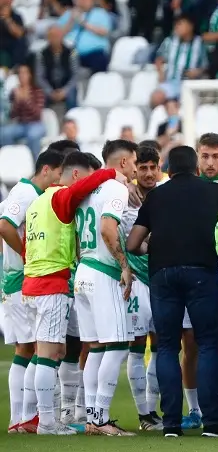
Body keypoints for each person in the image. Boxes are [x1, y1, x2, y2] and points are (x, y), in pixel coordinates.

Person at [126, 146, 218, 438]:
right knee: (208, 345)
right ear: (196, 167)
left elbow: (132, 243)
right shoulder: (212, 192)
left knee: (166, 346)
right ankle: (213, 421)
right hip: (201, 272)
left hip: (163, 274)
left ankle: (172, 423)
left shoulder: (156, 196)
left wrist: (155, 248)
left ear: (168, 168)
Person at [22, 153, 126, 435]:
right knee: (48, 353)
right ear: (78, 175)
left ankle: (28, 417)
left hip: (33, 280)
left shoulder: (38, 201)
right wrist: (110, 173)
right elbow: (81, 188)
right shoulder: (60, 197)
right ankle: (46, 422)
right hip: (50, 282)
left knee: (48, 352)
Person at [73, 140, 139, 436]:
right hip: (103, 272)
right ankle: (100, 420)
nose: (137, 169)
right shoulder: (115, 188)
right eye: (135, 162)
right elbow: (107, 228)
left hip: (83, 270)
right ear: (123, 163)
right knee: (119, 344)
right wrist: (124, 264)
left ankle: (92, 417)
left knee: (96, 346)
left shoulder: (87, 189)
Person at [178, 133, 218, 430]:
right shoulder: (184, 188)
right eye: (204, 156)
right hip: (193, 277)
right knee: (190, 345)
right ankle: (193, 410)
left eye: (216, 156)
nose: (210, 162)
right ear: (196, 156)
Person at [1, 150, 65, 434]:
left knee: (26, 348)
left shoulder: (27, 193)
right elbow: (4, 226)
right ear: (47, 170)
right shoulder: (26, 193)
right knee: (32, 348)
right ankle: (23, 418)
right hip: (18, 281)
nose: (59, 179)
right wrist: (25, 254)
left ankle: (20, 420)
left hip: (16, 280)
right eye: (58, 174)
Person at [121, 146, 164, 431]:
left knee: (162, 346)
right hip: (136, 280)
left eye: (153, 167)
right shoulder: (123, 197)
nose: (148, 173)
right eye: (143, 167)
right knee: (137, 348)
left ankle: (153, 410)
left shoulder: (168, 194)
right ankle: (144, 415)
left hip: (161, 279)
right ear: (134, 169)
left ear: (160, 168)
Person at [151, 15, 207, 107]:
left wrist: (197, 72)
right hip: (171, 82)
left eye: (180, 24)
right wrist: (160, 74)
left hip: (190, 84)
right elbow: (159, 59)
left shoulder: (199, 43)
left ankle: (174, 120)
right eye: (176, 25)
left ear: (190, 26)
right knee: (156, 98)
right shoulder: (169, 41)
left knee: (174, 104)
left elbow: (205, 66)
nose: (177, 27)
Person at [58, 0, 112, 74]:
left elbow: (104, 32)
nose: (82, 0)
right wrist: (71, 20)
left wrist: (83, 23)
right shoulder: (69, 14)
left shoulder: (100, 13)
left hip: (94, 52)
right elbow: (58, 35)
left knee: (100, 61)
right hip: (72, 53)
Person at [2, 63, 47, 159]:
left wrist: (26, 100)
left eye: (24, 73)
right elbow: (12, 115)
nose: (22, 75)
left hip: (36, 124)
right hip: (21, 124)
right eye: (20, 73)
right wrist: (17, 101)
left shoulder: (37, 91)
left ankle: (36, 164)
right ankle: (10, 160)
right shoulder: (15, 91)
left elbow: (37, 114)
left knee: (33, 135)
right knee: (4, 133)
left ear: (30, 75)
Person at [36, 25, 80, 111]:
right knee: (39, 97)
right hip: (49, 87)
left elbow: (76, 75)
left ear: (62, 36)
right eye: (51, 36)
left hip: (66, 87)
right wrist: (50, 92)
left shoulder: (72, 52)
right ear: (48, 38)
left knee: (72, 95)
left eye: (57, 36)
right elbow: (39, 77)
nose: (54, 39)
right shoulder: (41, 54)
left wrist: (64, 91)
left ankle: (71, 120)